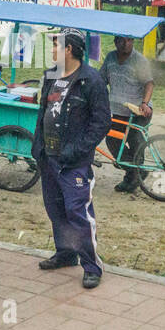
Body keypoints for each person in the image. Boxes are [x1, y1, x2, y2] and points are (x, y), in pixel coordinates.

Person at [32, 29, 112, 289]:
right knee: (55, 210)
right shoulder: (51, 75)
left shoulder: (91, 80)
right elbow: (43, 113)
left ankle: (91, 266)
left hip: (73, 162)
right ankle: (66, 254)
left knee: (78, 213)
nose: (52, 51)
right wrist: (38, 147)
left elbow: (101, 123)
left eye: (56, 46)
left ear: (69, 50)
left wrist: (78, 150)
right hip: (49, 158)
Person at [100, 34, 154, 193]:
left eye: (129, 40)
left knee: (136, 141)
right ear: (115, 42)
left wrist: (144, 103)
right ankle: (135, 172)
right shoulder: (110, 58)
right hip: (117, 110)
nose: (126, 44)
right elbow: (101, 79)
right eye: (122, 40)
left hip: (138, 110)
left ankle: (133, 175)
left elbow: (149, 84)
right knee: (112, 140)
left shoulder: (140, 60)